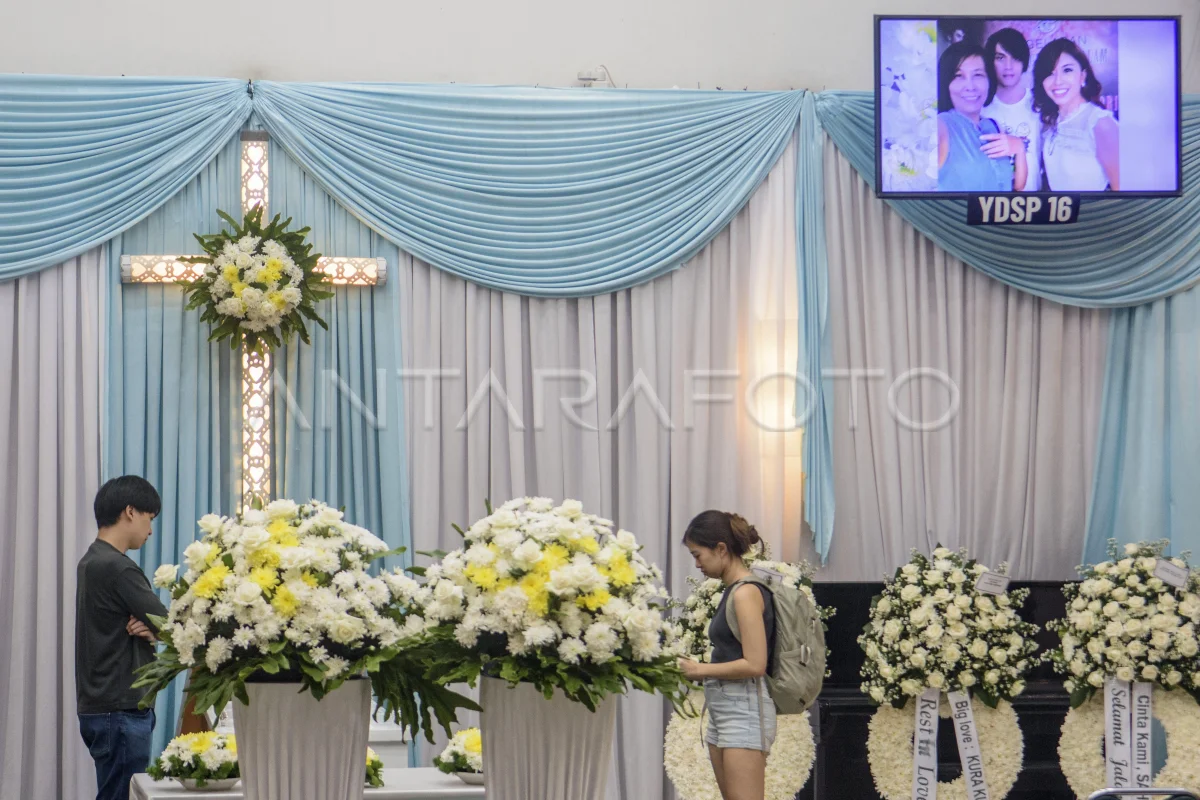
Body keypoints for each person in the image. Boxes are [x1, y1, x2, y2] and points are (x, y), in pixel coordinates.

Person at [76, 476, 168, 800]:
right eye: (149, 518)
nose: (150, 530)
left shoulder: (91, 560)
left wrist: (153, 629)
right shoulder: (118, 568)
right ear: (130, 511)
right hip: (121, 709)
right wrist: (157, 629)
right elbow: (171, 626)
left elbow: (154, 625)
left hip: (100, 706)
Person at [678, 511, 776, 800]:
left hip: (744, 709)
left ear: (721, 549)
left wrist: (699, 669)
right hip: (725, 707)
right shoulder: (734, 591)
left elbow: (755, 663)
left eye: (698, 555)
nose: (697, 564)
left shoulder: (745, 593)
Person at [936, 42, 1028, 192]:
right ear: (946, 83)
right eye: (959, 76)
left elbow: (1017, 186)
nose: (970, 86)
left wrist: (1019, 148)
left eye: (978, 75)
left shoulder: (993, 125)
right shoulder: (940, 126)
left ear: (989, 80)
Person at [1033, 37, 1119, 191]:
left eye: (1067, 70)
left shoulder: (1100, 123)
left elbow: (1125, 195)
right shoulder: (1051, 122)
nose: (1058, 81)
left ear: (1082, 76)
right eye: (1050, 73)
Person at [983, 28, 1042, 191]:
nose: (1008, 66)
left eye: (1015, 58)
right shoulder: (981, 108)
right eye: (1000, 58)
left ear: (1024, 62)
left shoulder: (1039, 104)